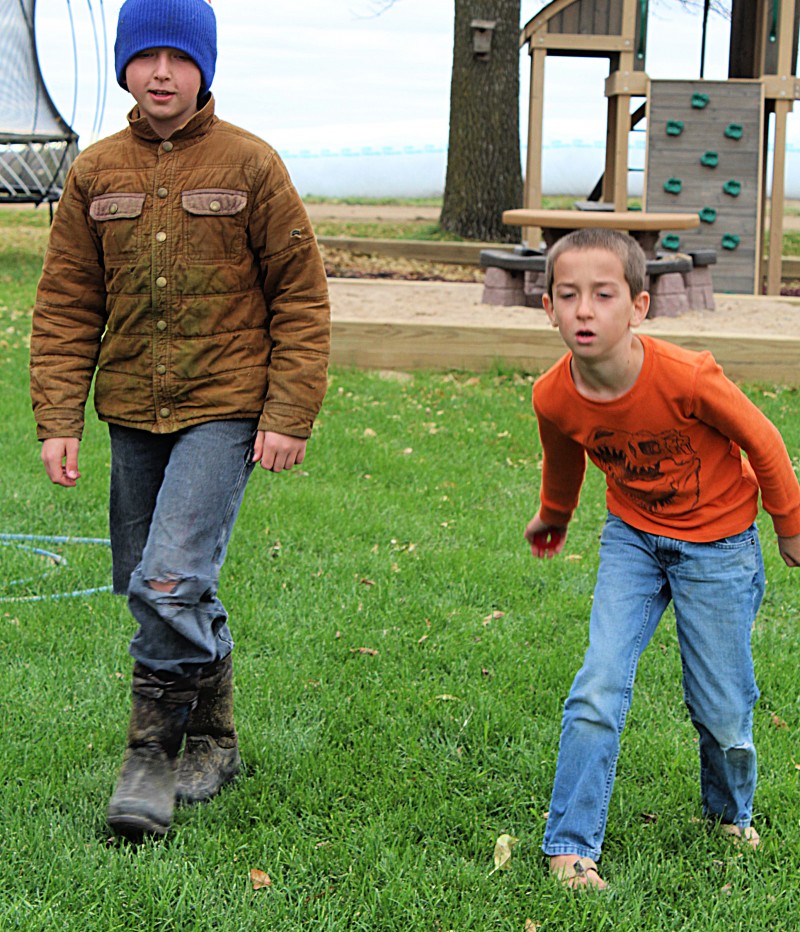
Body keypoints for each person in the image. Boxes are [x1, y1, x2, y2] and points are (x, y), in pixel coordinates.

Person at [30, 0, 330, 839]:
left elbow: (301, 298)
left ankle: (149, 760)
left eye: (179, 56)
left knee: (168, 579)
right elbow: (64, 305)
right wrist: (60, 417)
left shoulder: (251, 165)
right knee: (155, 583)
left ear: (205, 69)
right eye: (146, 55)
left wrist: (289, 413)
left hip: (226, 406)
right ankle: (217, 735)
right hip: (131, 407)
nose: (162, 71)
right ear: (125, 67)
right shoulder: (94, 173)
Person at [524, 228, 800, 890]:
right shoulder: (553, 394)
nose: (584, 310)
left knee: (723, 707)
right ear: (549, 309)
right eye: (569, 296)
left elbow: (761, 438)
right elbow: (563, 459)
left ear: (639, 307)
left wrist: (788, 524)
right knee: (598, 683)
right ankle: (569, 844)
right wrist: (554, 517)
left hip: (720, 546)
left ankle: (729, 816)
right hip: (634, 541)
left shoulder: (685, 377)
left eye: (603, 295)